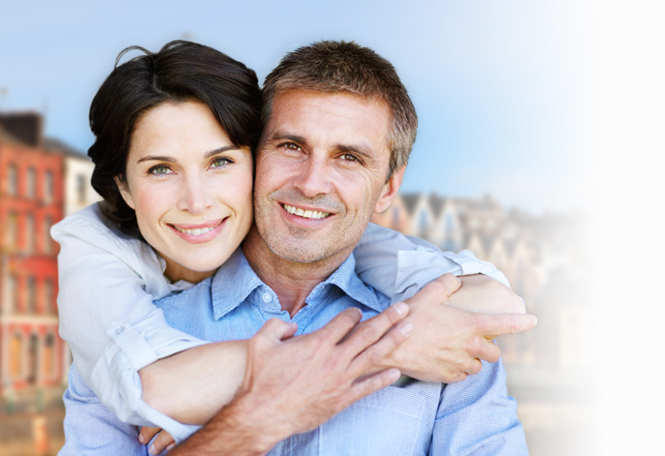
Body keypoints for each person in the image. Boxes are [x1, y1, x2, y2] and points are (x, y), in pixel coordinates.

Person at [57, 40, 529, 454]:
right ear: (255, 153)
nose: (311, 183)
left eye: (349, 157)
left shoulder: (444, 334)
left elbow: (483, 293)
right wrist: (254, 422)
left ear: (388, 188)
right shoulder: (128, 339)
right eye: (290, 147)